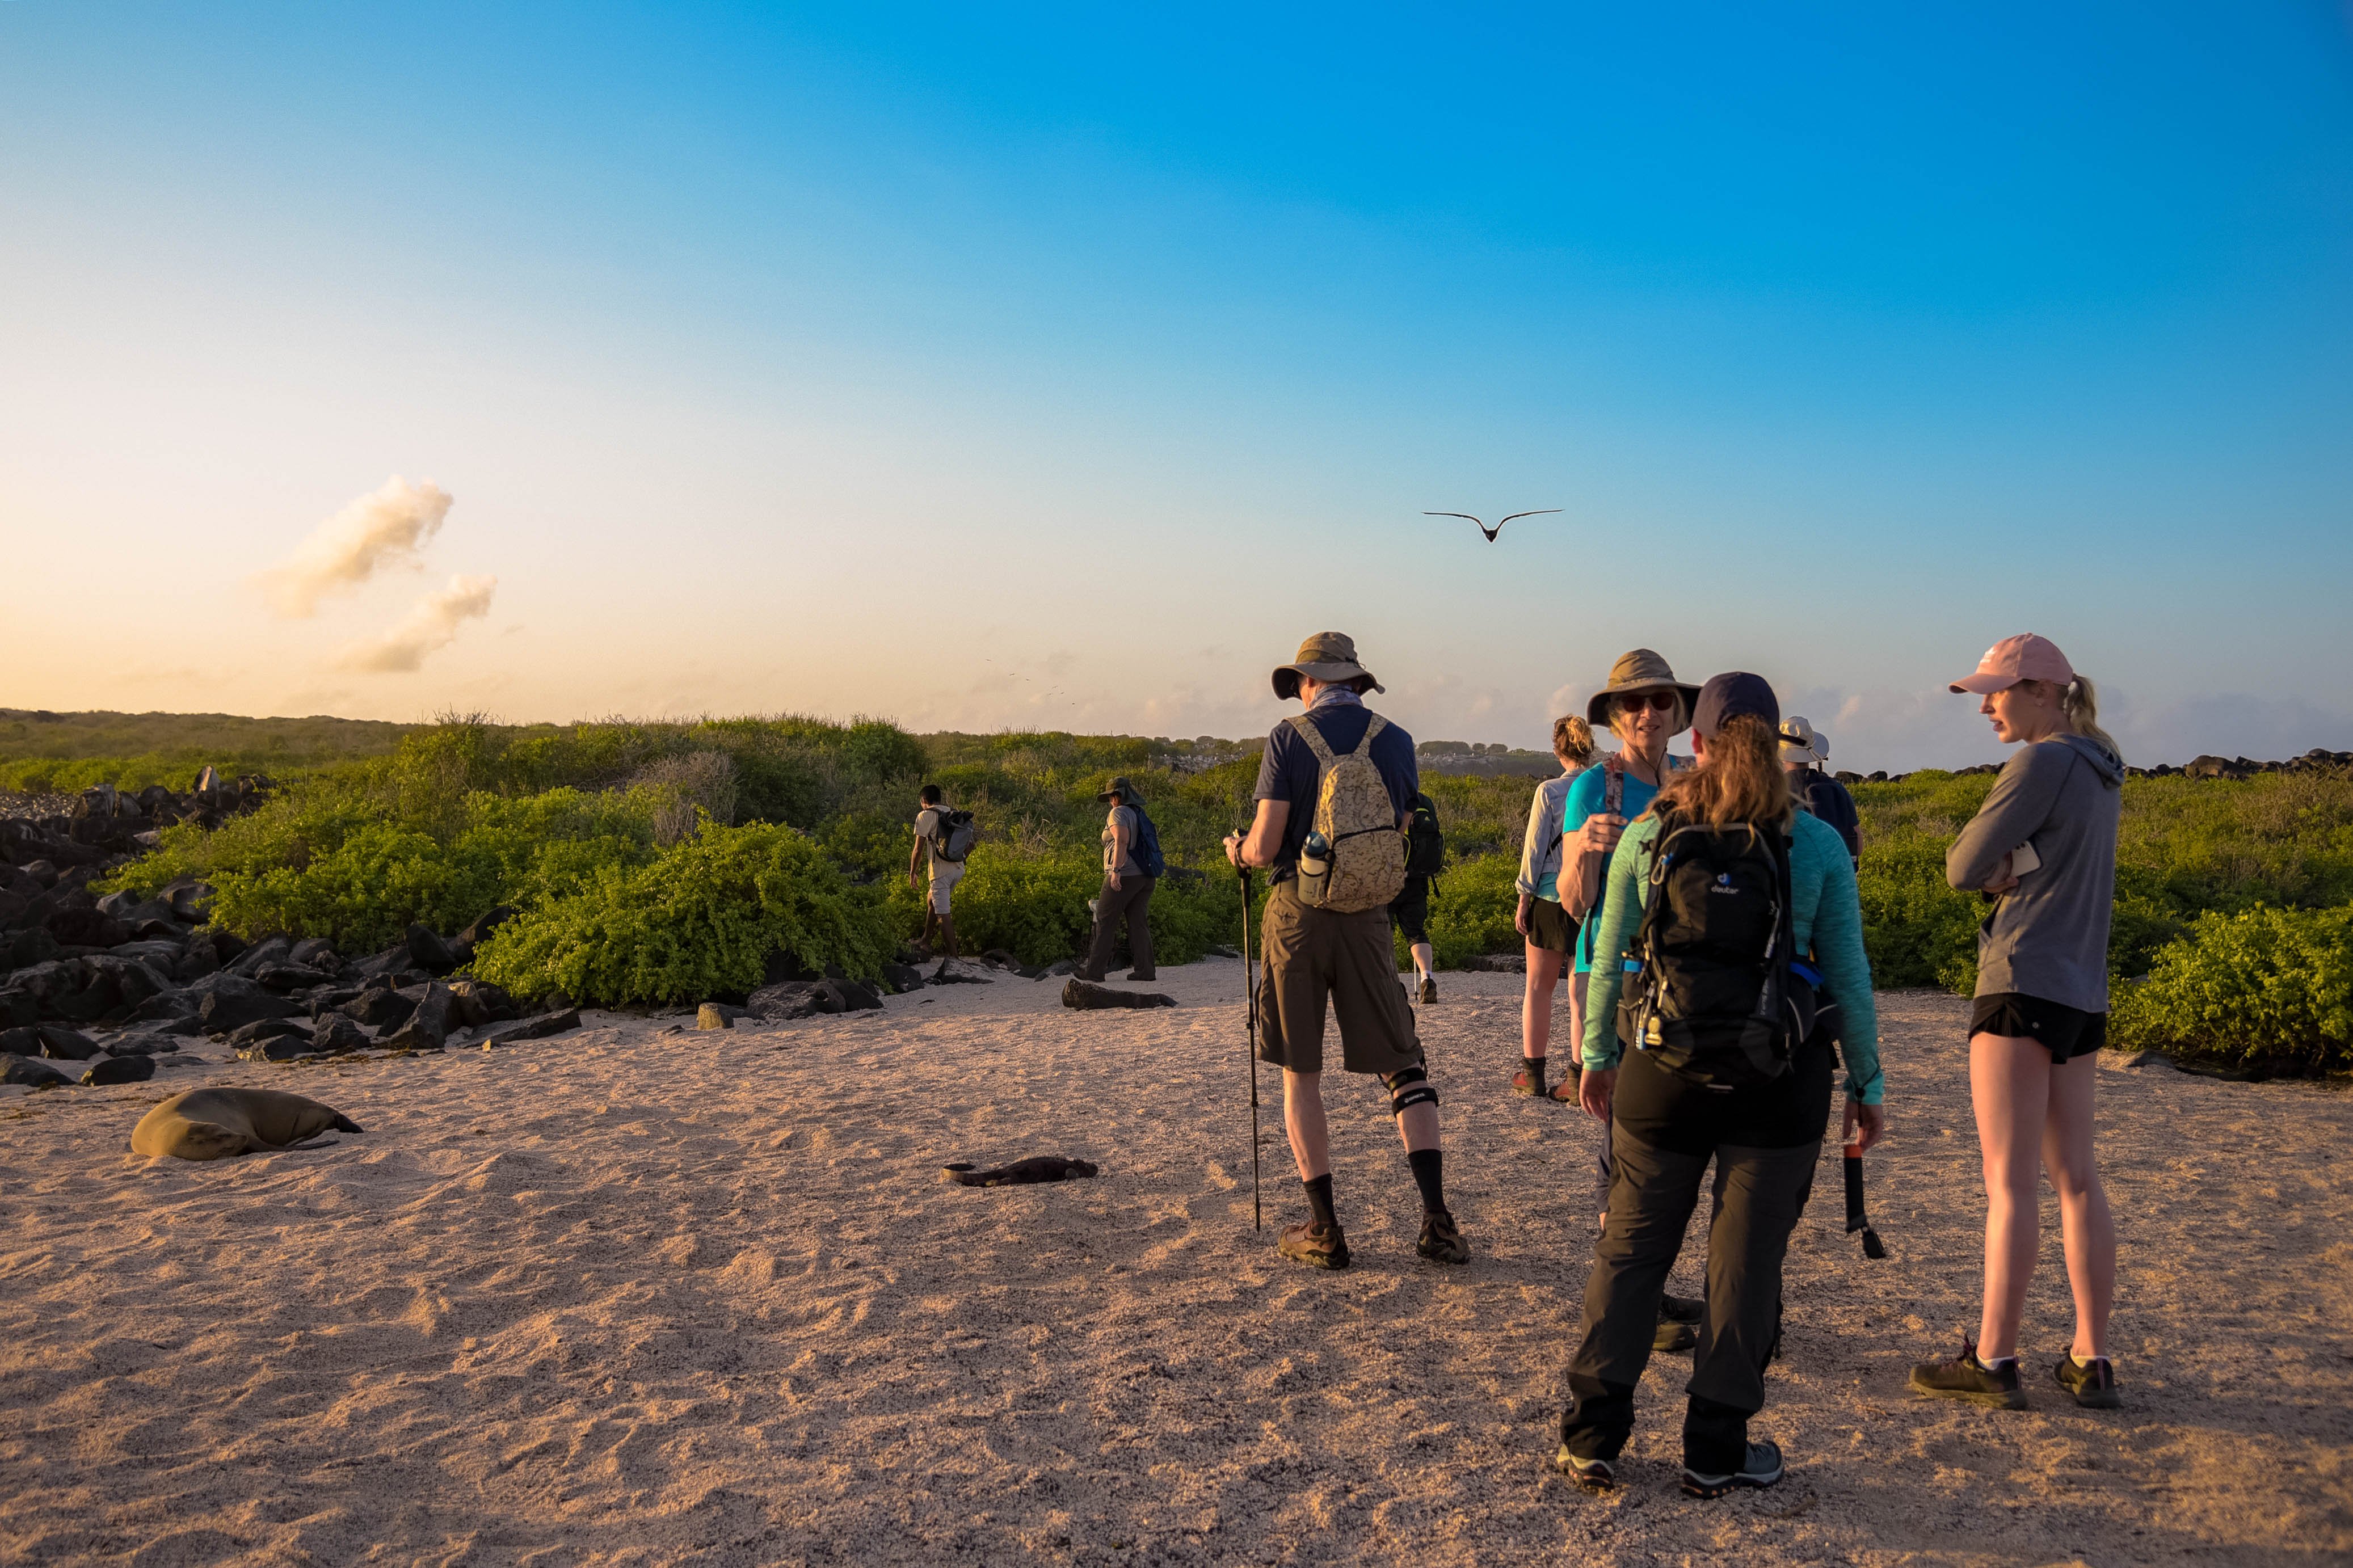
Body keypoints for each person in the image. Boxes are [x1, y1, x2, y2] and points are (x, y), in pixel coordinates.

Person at [1559, 673, 1887, 1498]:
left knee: (1631, 1251)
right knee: (1743, 1266)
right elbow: (1846, 972)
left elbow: (1609, 952)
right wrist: (1867, 1083)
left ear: (1694, 741)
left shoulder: (1650, 829)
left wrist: (1596, 1056)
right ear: (1777, 742)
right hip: (1778, 1080)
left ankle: (1593, 1434)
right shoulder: (1809, 841)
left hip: (1657, 1073)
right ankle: (1713, 1448)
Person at [1911, 634, 2124, 1411]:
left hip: (2018, 980)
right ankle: (2089, 1357)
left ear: (2039, 689)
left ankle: (1994, 1358)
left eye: (1995, 692)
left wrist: (2006, 873)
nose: (1985, 707)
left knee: (2007, 1186)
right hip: (2079, 991)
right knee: (2075, 1178)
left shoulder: (2037, 764)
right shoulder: (2104, 771)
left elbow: (1960, 867)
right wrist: (2025, 865)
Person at [1224, 631, 1469, 1269]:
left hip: (1296, 916)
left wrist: (1238, 852)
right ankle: (1437, 1221)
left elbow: (1264, 843)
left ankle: (1325, 1230)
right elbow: (1398, 834)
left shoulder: (1287, 738)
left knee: (1299, 1071)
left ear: (1308, 682)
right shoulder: (1396, 740)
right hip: (1367, 919)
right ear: (1358, 682)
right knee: (1404, 1062)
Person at [1559, 650, 1698, 1221]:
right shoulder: (1593, 789)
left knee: (1667, 1131)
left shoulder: (1692, 785)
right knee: (1626, 1136)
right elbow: (1572, 901)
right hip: (1613, 970)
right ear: (1615, 716)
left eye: (1659, 700)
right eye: (1633, 703)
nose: (1648, 712)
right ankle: (1621, 1271)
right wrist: (1586, 851)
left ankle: (1635, 1274)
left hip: (1676, 974)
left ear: (1676, 711)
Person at [1510, 715, 1598, 1101]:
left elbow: (1534, 848)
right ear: (1588, 748)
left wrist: (1523, 896)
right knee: (1581, 994)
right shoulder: (1605, 788)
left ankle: (1532, 1075)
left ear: (1557, 749)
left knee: (1538, 989)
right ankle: (1576, 1079)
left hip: (1548, 897)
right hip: (1593, 900)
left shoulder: (1548, 791)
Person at [1080, 775, 1156, 983]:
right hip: (1145, 876)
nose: (1110, 801)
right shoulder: (1137, 812)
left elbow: (1122, 840)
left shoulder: (1118, 813)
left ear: (1117, 797)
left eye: (1111, 797)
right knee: (1138, 923)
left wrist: (1116, 870)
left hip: (1126, 874)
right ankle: (1145, 971)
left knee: (1105, 919)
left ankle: (1094, 972)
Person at [1779, 716, 1860, 866]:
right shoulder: (1838, 789)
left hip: (1797, 879)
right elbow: (1859, 846)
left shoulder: (1776, 792)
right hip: (1839, 879)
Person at [1393, 790, 1445, 1002]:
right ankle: (1427, 978)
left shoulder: (1390, 797)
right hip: (1418, 877)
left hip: (1390, 876)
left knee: (1381, 930)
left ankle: (1389, 983)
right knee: (1416, 932)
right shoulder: (1425, 801)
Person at [908, 783, 962, 958]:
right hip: (958, 868)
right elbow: (971, 844)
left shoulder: (925, 815)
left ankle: (955, 959)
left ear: (924, 800)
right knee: (932, 899)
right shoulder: (953, 813)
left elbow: (918, 850)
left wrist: (913, 872)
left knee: (943, 914)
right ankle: (925, 940)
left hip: (940, 873)